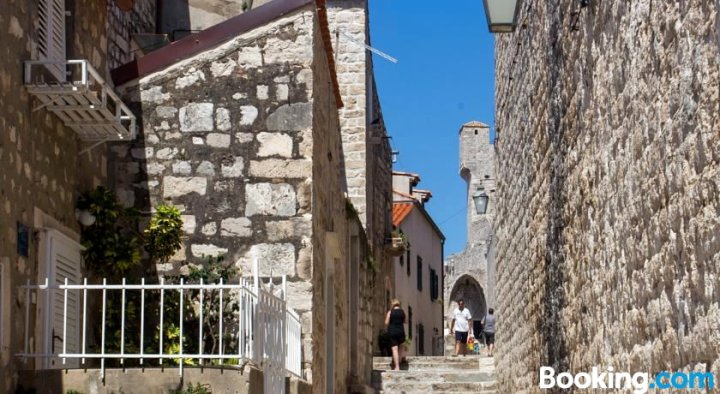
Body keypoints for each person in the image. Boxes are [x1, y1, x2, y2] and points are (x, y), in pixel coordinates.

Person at [385, 299, 407, 371]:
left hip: (392, 331)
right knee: (401, 347)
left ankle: (397, 367)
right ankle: (399, 361)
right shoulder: (403, 312)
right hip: (400, 331)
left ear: (392, 305)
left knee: (394, 349)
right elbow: (405, 321)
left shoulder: (390, 312)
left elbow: (386, 322)